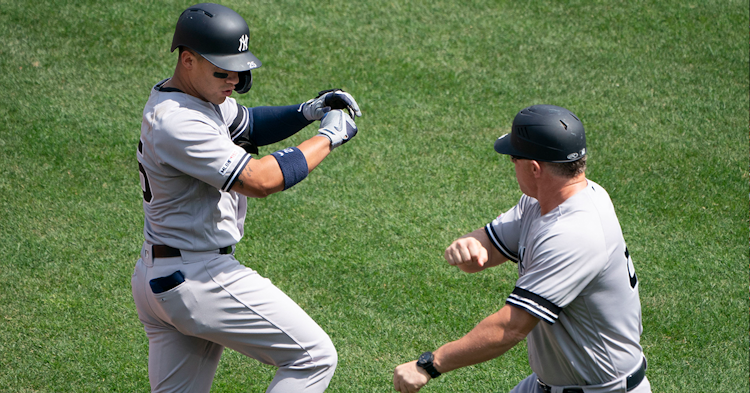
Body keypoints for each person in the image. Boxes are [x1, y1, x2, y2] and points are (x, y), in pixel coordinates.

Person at [131, 3, 362, 392]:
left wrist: (308, 111)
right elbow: (260, 179)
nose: (234, 80)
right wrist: (328, 137)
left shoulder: (198, 99)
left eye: (239, 70)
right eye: (223, 70)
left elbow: (249, 124)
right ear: (188, 60)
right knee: (312, 357)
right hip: (198, 278)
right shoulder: (178, 122)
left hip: (163, 275)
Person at [393, 105, 650, 393]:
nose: (511, 164)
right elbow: (491, 246)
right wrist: (472, 245)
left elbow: (510, 328)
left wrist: (429, 364)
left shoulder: (575, 233)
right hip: (551, 385)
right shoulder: (544, 201)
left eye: (514, 158)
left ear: (534, 168)